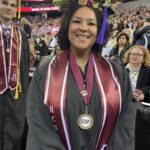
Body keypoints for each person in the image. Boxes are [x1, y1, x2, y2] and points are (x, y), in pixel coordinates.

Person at [26, 0, 136, 150]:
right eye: (77, 21)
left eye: (91, 24)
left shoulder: (116, 74)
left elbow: (125, 125)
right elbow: (39, 126)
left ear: (99, 30)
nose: (84, 28)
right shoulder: (45, 72)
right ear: (66, 27)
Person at [0, 0, 30, 149]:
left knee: (13, 137)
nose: (9, 8)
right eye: (5, 3)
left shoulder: (21, 36)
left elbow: (24, 70)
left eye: (12, 5)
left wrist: (23, 98)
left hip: (14, 96)